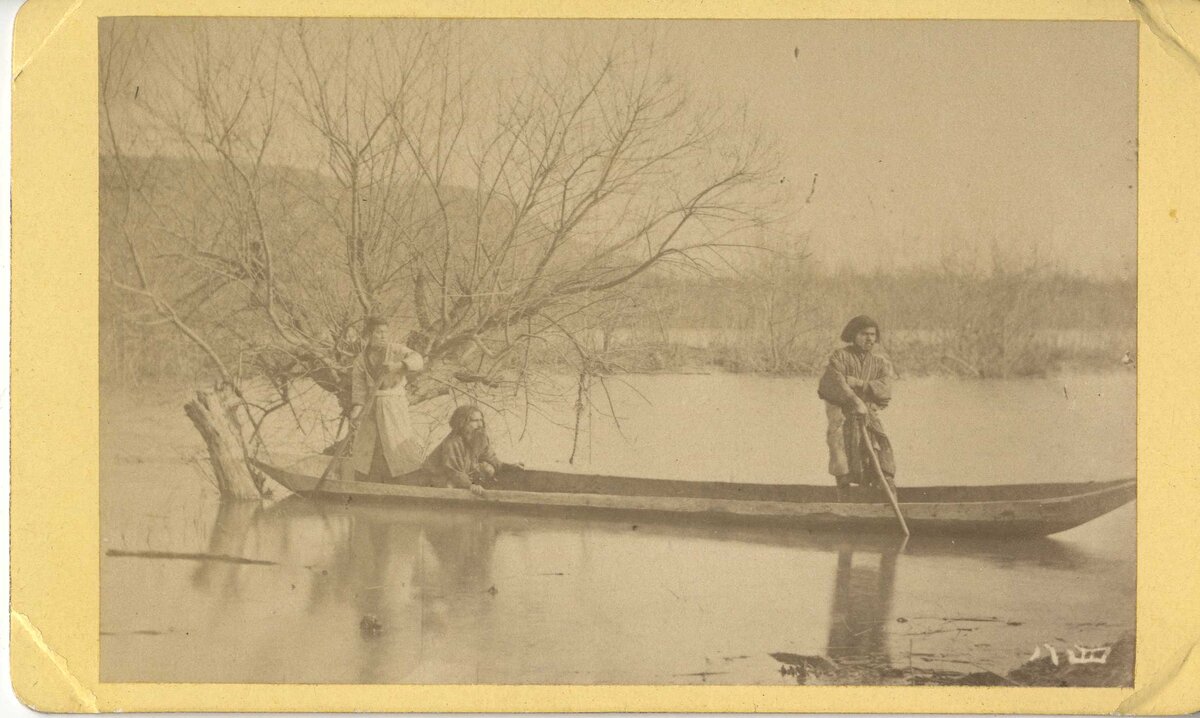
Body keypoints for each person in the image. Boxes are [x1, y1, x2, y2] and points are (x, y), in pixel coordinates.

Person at [817, 315, 896, 493]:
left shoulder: (880, 363)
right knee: (841, 448)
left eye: (872, 335)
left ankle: (883, 483)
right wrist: (855, 401)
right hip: (843, 414)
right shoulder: (840, 357)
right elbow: (833, 382)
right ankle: (844, 490)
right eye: (864, 334)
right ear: (853, 335)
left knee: (877, 446)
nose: (869, 339)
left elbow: (885, 389)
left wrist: (860, 384)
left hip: (868, 414)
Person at [349, 316, 426, 483]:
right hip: (371, 406)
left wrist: (399, 366)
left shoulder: (396, 350)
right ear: (369, 334)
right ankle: (372, 481)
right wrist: (356, 411)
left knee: (396, 442)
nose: (383, 336)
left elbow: (418, 360)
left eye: (385, 332)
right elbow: (359, 391)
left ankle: (406, 480)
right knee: (369, 444)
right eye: (378, 332)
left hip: (393, 405)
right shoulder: (360, 360)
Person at [419, 405, 508, 497]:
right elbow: (454, 472)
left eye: (481, 420)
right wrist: (470, 485)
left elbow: (493, 460)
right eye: (475, 421)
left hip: (459, 477)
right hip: (436, 480)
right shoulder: (453, 442)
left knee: (489, 469)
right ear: (462, 423)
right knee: (450, 485)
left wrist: (511, 469)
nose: (480, 424)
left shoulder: (479, 438)